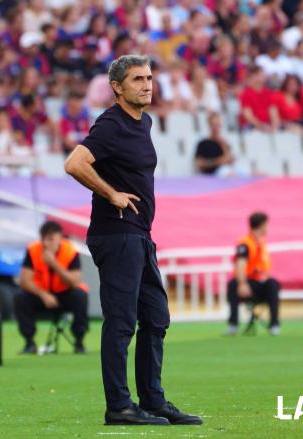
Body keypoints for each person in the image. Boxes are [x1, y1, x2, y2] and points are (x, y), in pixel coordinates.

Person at [64, 54, 202, 426]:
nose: (147, 84)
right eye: (138, 79)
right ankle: (119, 407)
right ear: (117, 87)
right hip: (117, 233)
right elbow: (74, 163)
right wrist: (111, 194)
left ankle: (153, 400)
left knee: (156, 318)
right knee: (122, 322)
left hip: (140, 234)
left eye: (149, 78)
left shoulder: (145, 122)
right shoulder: (111, 125)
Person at [13, 221, 88, 354]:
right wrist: (44, 294)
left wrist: (54, 264)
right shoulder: (33, 250)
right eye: (44, 239)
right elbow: (24, 281)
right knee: (20, 297)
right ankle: (29, 342)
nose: (46, 244)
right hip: (42, 295)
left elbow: (75, 281)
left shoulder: (70, 251)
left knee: (80, 295)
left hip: (65, 294)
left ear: (60, 238)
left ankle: (79, 341)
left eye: (51, 239)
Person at [226, 212, 281, 336]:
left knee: (273, 284)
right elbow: (240, 264)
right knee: (233, 284)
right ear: (261, 225)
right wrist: (242, 284)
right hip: (247, 282)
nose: (268, 228)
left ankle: (274, 324)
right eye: (267, 225)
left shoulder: (261, 243)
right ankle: (233, 324)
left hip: (259, 283)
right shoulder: (245, 243)